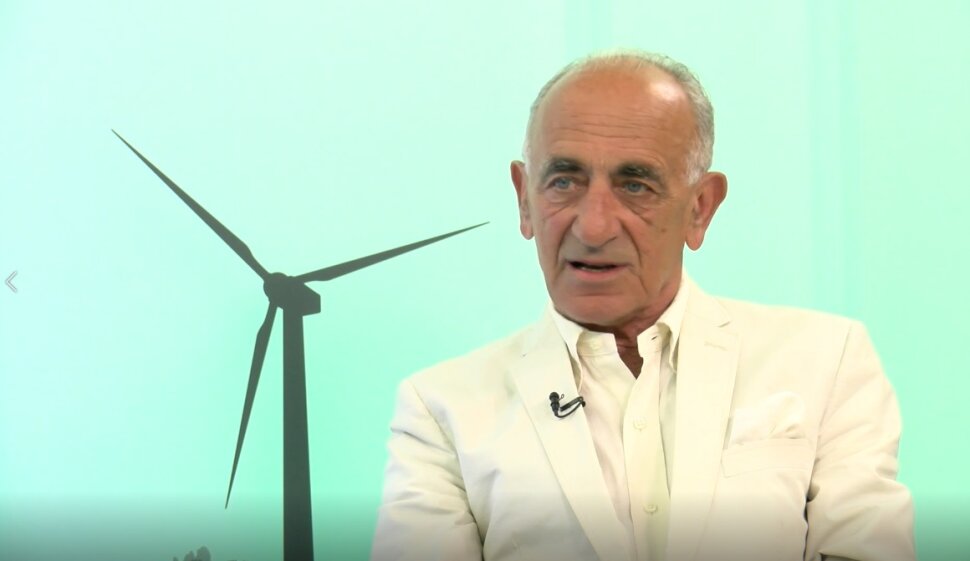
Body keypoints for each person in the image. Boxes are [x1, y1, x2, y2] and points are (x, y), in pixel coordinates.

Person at [369, 50, 915, 561]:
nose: (594, 226)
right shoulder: (441, 409)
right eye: (564, 181)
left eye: (635, 186)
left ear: (700, 208)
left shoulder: (826, 360)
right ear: (524, 199)